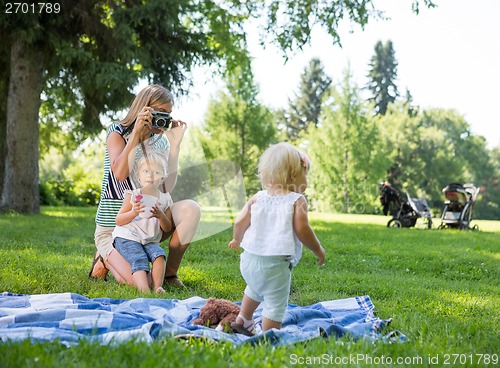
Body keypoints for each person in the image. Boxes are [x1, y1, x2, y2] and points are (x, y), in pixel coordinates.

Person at [89, 84, 201, 288]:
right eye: (161, 113)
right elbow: (120, 174)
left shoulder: (160, 142)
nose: (165, 119)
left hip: (148, 226)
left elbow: (167, 187)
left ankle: (169, 275)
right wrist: (136, 134)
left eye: (169, 114)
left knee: (191, 209)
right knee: (141, 283)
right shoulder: (118, 132)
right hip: (116, 227)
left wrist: (174, 146)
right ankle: (104, 258)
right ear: (144, 109)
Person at [228, 142, 326, 336]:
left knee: (254, 288)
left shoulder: (258, 197)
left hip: (248, 261)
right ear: (293, 174)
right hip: (275, 265)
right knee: (276, 301)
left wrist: (236, 239)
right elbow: (302, 229)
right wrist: (318, 249)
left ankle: (244, 319)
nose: (306, 180)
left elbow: (240, 221)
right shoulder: (296, 200)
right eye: (305, 174)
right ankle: (269, 335)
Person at [112, 152, 172, 294]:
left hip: (149, 240)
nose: (150, 176)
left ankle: (157, 287)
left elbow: (168, 227)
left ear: (163, 177)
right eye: (146, 171)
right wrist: (134, 212)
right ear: (138, 176)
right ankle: (144, 290)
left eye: (156, 172)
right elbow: (119, 220)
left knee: (160, 255)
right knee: (138, 258)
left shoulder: (165, 199)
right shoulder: (133, 195)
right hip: (128, 236)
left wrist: (161, 216)